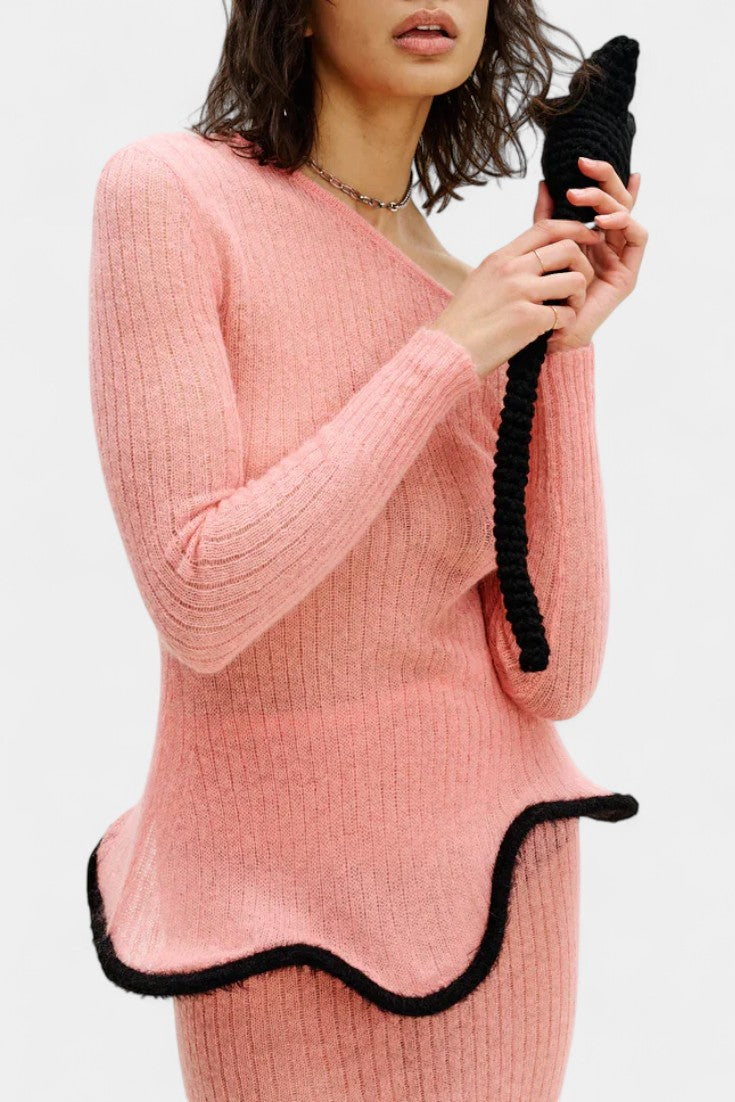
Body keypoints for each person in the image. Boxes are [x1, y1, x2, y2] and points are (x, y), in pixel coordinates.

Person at [85, 2, 647, 1099]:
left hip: (495, 883)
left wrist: (563, 346)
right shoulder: (172, 196)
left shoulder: (485, 296)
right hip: (254, 901)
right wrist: (445, 353)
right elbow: (200, 598)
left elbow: (555, 676)